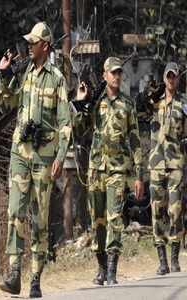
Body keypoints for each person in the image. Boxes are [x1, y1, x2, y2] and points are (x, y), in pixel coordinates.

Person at [0, 21, 71, 298]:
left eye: (33, 42)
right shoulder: (23, 71)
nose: (29, 45)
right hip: (20, 153)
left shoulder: (57, 79)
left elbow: (65, 123)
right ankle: (14, 272)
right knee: (15, 212)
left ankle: (35, 277)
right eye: (28, 41)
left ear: (45, 46)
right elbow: (7, 102)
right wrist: (4, 75)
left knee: (38, 218)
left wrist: (61, 156)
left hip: (44, 157)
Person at [76, 57, 144, 285]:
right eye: (112, 72)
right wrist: (81, 102)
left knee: (115, 217)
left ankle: (113, 268)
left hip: (117, 169)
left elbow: (135, 140)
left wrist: (138, 175)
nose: (117, 76)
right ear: (104, 75)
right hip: (96, 169)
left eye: (119, 73)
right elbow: (79, 128)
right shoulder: (95, 102)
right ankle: (101, 267)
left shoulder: (127, 104)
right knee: (97, 219)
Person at [148, 62, 186, 275]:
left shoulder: (184, 103)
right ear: (164, 78)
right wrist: (149, 94)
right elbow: (139, 109)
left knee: (176, 210)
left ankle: (174, 257)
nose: (171, 80)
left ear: (179, 79)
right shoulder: (154, 102)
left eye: (175, 76)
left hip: (177, 164)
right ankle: (162, 260)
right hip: (156, 164)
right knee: (157, 210)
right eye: (168, 76)